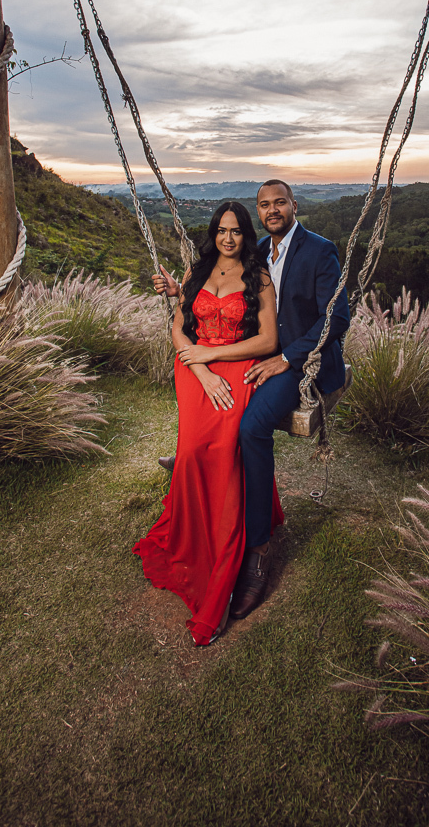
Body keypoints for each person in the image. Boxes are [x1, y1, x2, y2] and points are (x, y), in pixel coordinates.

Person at [153, 179, 349, 621]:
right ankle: (200, 468)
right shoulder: (255, 250)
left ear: (294, 205)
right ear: (257, 213)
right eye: (265, 204)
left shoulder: (320, 250)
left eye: (280, 202)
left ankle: (257, 548)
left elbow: (337, 316)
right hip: (262, 355)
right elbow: (217, 292)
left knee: (251, 427)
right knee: (223, 422)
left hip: (302, 359)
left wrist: (286, 357)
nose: (273, 209)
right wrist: (179, 293)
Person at [134, 201, 283, 646]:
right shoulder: (195, 274)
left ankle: (230, 543)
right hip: (194, 370)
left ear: (246, 235)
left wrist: (213, 356)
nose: (228, 238)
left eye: (237, 231)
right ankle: (193, 531)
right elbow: (180, 330)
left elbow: (268, 339)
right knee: (194, 450)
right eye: (222, 230)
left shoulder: (258, 277)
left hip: (236, 365)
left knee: (224, 449)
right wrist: (198, 367)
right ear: (213, 233)